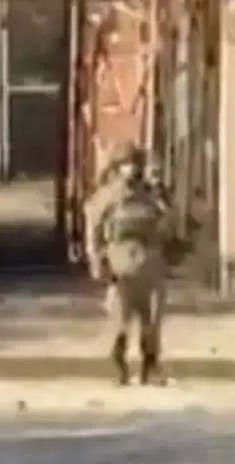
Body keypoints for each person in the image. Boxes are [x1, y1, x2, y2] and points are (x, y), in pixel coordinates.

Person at [84, 144, 170, 386]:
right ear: (117, 167)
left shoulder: (150, 195)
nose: (131, 169)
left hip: (150, 263)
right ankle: (118, 366)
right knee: (119, 323)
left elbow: (168, 222)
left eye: (134, 163)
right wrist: (97, 260)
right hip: (120, 263)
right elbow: (94, 227)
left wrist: (160, 193)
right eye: (125, 164)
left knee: (152, 321)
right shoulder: (108, 196)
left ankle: (150, 366)